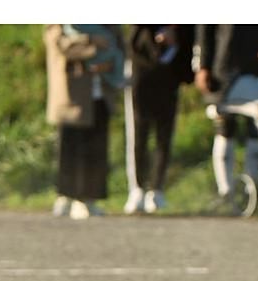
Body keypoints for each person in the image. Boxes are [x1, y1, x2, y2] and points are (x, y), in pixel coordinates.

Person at [194, 24, 258, 213]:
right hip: (222, 74)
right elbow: (204, 30)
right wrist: (201, 66)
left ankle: (255, 189)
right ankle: (225, 192)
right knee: (225, 128)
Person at [44, 24, 124, 220]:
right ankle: (66, 195)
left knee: (96, 148)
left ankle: (89, 198)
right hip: (72, 95)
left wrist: (110, 62)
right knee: (70, 147)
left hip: (101, 91)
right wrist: (90, 42)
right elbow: (59, 43)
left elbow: (119, 44)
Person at [123, 25, 195, 215]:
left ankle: (156, 190)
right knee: (139, 133)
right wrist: (158, 33)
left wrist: (176, 36)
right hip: (142, 71)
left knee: (164, 135)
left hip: (171, 75)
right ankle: (137, 188)